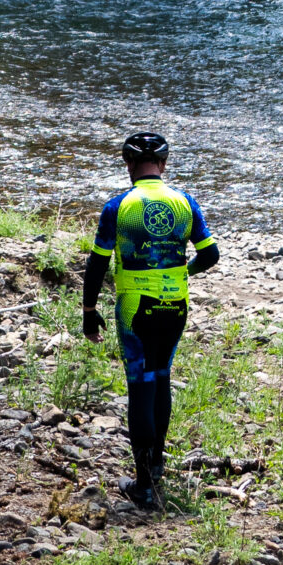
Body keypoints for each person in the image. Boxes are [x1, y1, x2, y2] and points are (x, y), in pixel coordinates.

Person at [82, 131, 218, 509]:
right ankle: (156, 467)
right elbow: (211, 255)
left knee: (140, 385)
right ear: (164, 164)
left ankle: (143, 486)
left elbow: (97, 264)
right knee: (161, 379)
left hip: (134, 309)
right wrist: (182, 271)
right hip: (175, 306)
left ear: (128, 164)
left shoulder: (118, 207)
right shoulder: (184, 202)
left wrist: (89, 313)